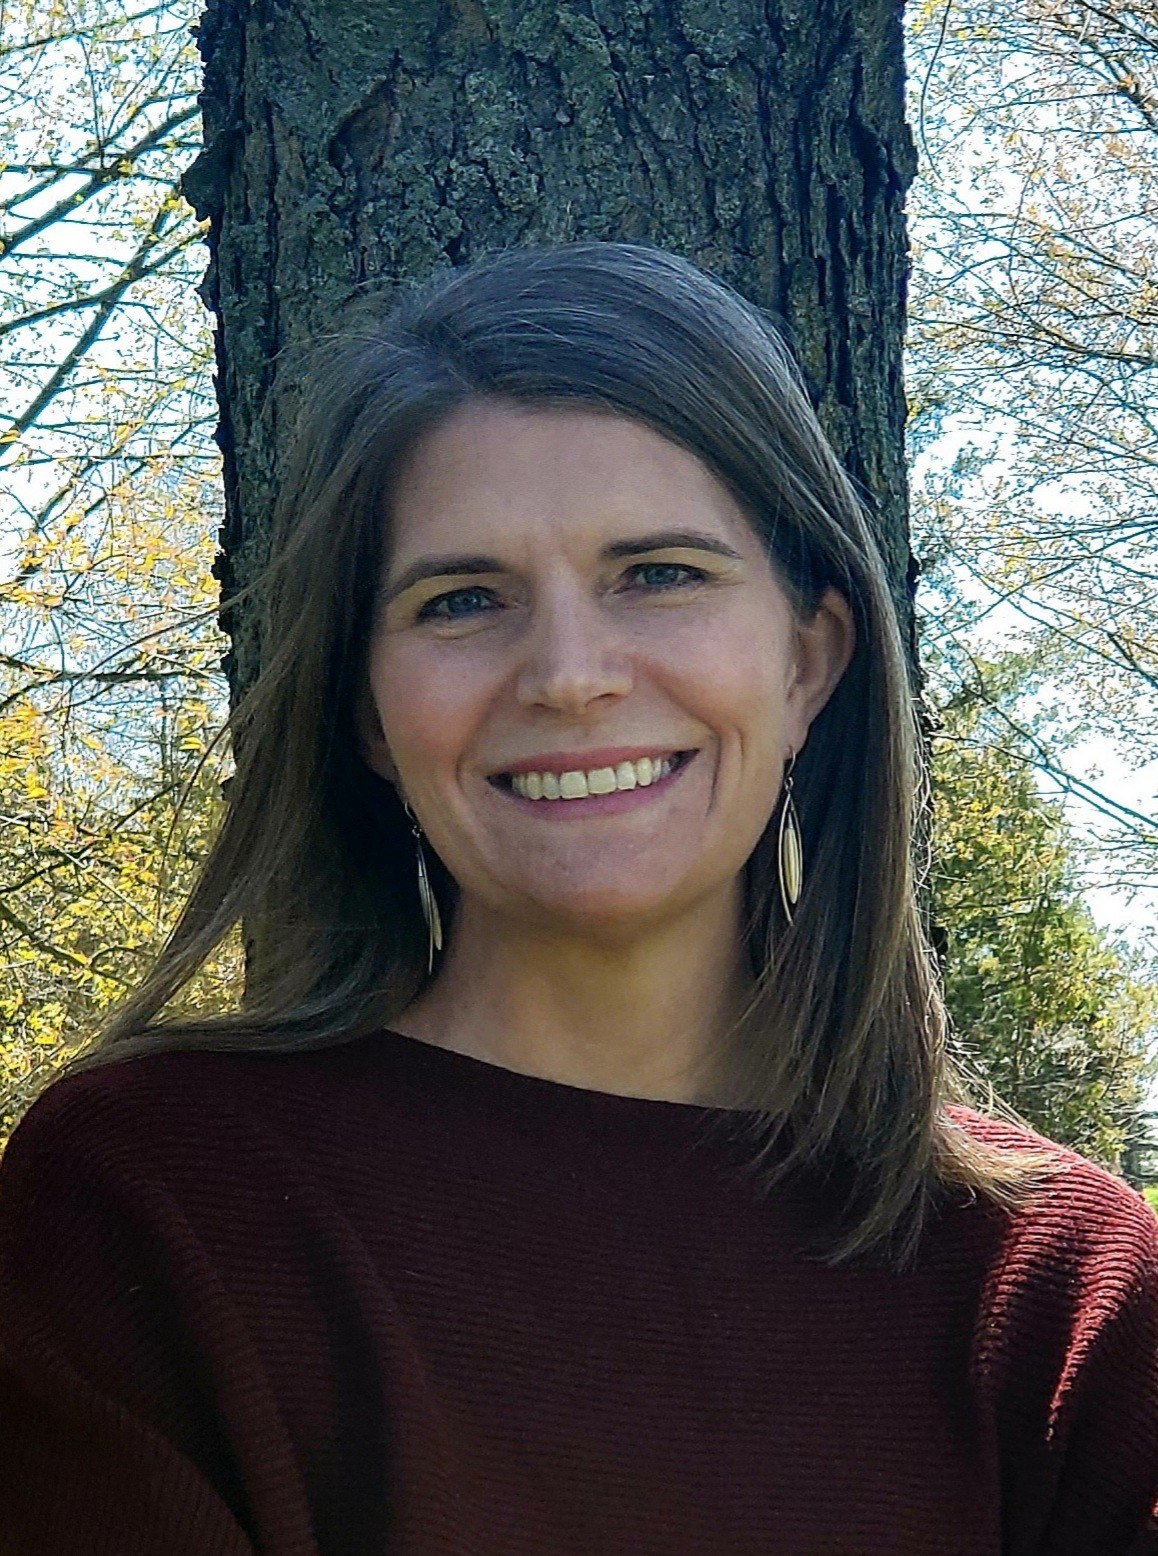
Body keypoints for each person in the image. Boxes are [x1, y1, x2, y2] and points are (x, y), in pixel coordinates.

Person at [0, 242, 1155, 1556]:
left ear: (808, 661)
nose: (567, 674)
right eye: (463, 598)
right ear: (369, 714)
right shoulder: (151, 1205)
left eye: (657, 573)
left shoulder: (1054, 1293)